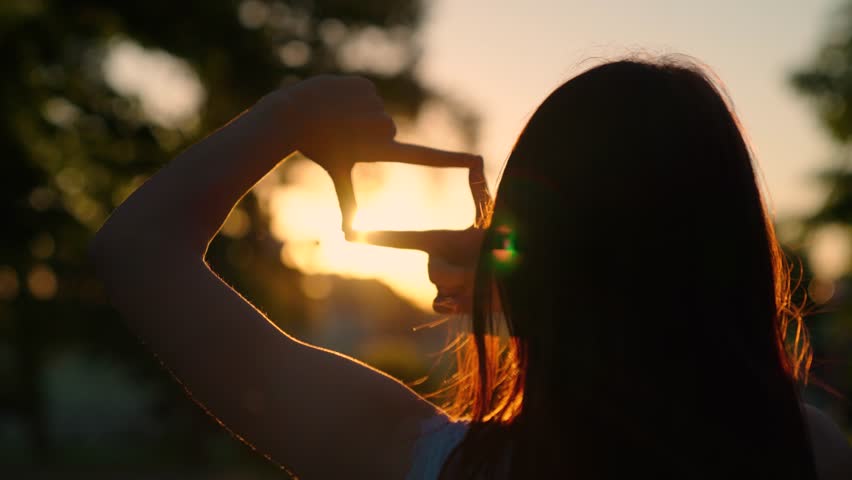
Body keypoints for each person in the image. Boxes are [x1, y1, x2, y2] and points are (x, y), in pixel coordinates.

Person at [90, 58, 852, 479]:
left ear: (531, 260)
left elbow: (139, 248)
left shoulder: (413, 459)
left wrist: (290, 116)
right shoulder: (811, 452)